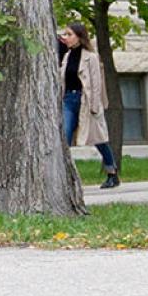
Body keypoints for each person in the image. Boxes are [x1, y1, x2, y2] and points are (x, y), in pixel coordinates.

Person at [60, 22, 120, 189]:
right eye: (65, 34)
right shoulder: (67, 57)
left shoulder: (90, 57)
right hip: (68, 100)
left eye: (69, 34)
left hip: (86, 101)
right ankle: (65, 177)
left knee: (99, 139)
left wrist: (95, 106)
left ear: (79, 37)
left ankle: (112, 173)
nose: (66, 37)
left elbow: (96, 83)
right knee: (64, 137)